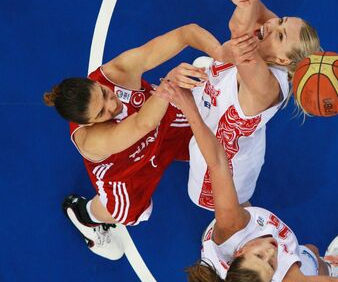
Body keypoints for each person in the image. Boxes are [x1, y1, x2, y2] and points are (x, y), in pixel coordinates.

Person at [153, 84, 338, 282]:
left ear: (239, 253)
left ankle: (214, 93)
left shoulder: (231, 224)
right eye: (271, 264)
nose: (272, 252)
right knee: (312, 253)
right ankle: (328, 268)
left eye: (260, 255)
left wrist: (190, 107)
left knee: (234, 200)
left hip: (233, 263)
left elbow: (218, 162)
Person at [44, 23, 224, 259]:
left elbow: (186, 33)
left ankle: (199, 90)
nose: (112, 105)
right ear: (87, 123)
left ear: (97, 82)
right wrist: (169, 83)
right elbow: (141, 124)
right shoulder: (91, 140)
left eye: (104, 94)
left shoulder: (117, 71)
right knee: (127, 213)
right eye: (101, 113)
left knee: (216, 136)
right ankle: (86, 215)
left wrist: (222, 54)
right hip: (127, 170)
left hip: (161, 124)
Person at [187, 0, 321, 210]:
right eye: (282, 20)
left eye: (280, 34)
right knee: (205, 65)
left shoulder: (265, 87)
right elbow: (257, 11)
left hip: (218, 172)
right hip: (224, 121)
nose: (272, 25)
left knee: (233, 215)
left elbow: (238, 29)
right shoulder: (278, 52)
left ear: (283, 61)